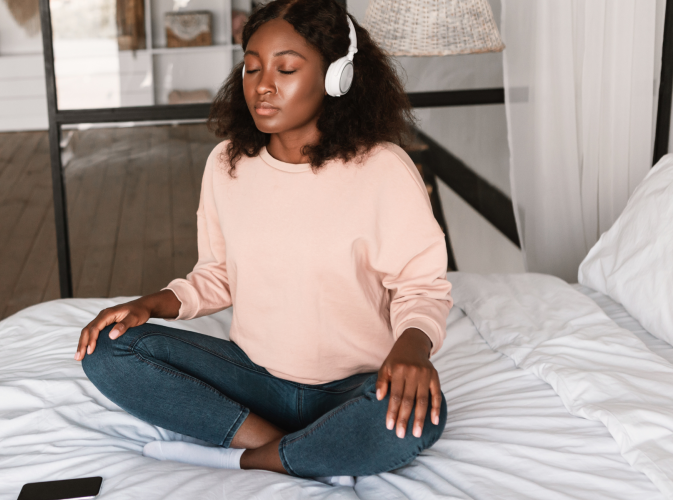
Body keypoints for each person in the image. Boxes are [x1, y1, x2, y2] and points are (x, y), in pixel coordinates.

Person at [77, 0, 452, 482]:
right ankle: (294, 448)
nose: (263, 86)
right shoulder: (226, 164)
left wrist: (412, 350)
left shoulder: (383, 169)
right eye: (251, 68)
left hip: (354, 386)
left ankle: (246, 457)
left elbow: (422, 288)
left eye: (287, 68)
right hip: (254, 379)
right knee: (107, 349)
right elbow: (217, 274)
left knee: (420, 418)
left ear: (337, 76)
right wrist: (152, 304)